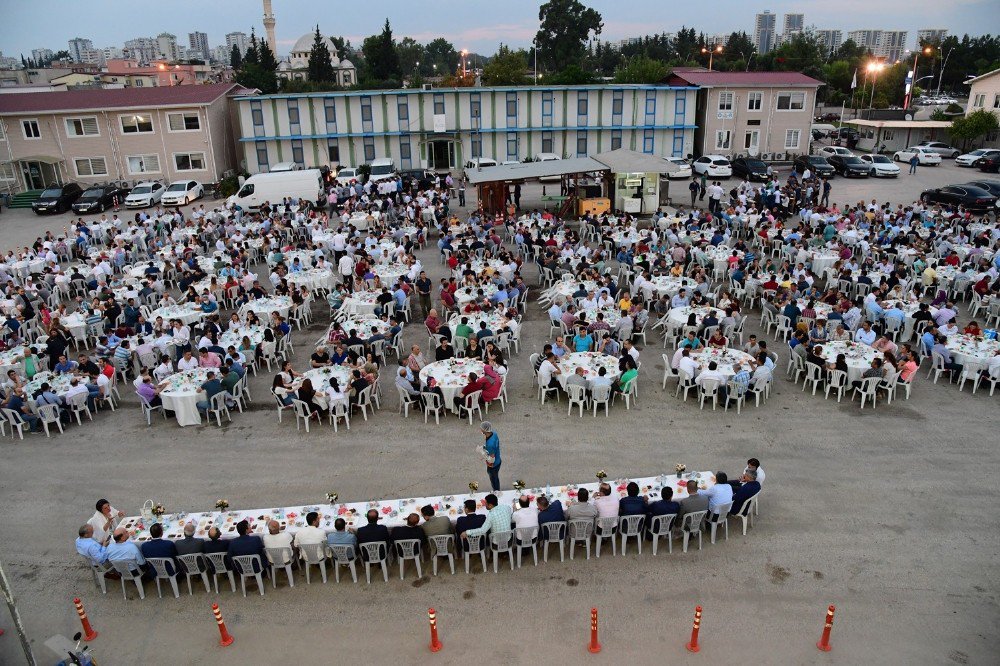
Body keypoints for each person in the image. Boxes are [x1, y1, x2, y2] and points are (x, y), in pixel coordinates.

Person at [480, 421, 502, 491]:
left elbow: (491, 459)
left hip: (493, 465)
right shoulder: (494, 434)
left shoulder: (490, 444)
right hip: (498, 460)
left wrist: (483, 454)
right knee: (496, 477)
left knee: (493, 479)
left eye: (481, 429)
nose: (480, 430)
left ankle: (496, 491)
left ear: (484, 430)